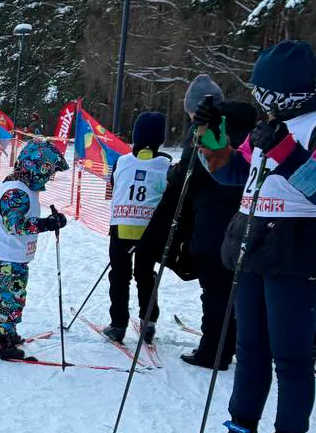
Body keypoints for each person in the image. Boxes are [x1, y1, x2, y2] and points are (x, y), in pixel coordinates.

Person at [193, 40, 316, 433]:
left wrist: (285, 151)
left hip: (297, 249)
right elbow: (231, 172)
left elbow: (315, 185)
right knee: (250, 350)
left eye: (268, 91)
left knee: (291, 356)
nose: (262, 99)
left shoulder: (313, 126)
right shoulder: (270, 125)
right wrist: (210, 136)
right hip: (254, 242)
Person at [137, 75, 254, 370]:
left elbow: (188, 172)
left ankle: (213, 351)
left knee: (215, 287)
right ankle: (235, 343)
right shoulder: (248, 126)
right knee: (238, 286)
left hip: (213, 217)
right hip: (248, 214)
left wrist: (173, 173)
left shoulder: (204, 127)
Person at [0, 139, 68, 360]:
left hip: (11, 253)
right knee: (10, 298)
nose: (50, 176)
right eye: (49, 170)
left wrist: (50, 221)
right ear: (37, 166)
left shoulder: (24, 186)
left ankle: (7, 332)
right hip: (6, 254)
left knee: (14, 296)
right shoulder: (16, 190)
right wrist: (45, 224)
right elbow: (14, 225)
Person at [100, 112, 171, 343]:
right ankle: (148, 322)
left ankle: (118, 324)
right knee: (145, 275)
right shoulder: (166, 164)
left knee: (119, 276)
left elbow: (114, 185)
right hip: (150, 230)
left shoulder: (121, 161)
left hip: (121, 226)